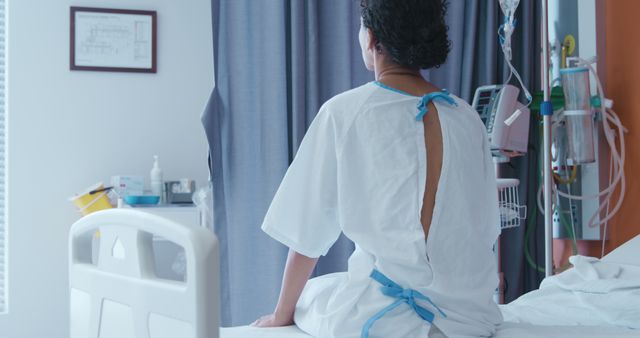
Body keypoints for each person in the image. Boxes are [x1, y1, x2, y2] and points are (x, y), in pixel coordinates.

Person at [253, 0, 503, 337]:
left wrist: (281, 314)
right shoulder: (467, 117)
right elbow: (485, 227)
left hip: (384, 319)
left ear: (371, 38)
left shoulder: (344, 113)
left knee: (314, 294)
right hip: (468, 318)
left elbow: (306, 235)